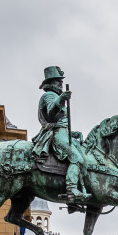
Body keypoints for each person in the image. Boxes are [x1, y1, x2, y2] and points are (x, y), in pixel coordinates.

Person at [30, 65, 90, 204]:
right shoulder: (49, 95)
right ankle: (71, 191)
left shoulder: (55, 95)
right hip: (57, 134)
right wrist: (61, 99)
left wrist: (73, 133)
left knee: (84, 160)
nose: (61, 84)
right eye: (58, 82)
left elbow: (60, 122)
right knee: (77, 159)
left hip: (62, 132)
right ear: (50, 83)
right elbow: (51, 113)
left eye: (61, 82)